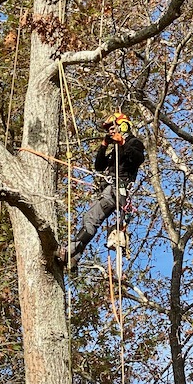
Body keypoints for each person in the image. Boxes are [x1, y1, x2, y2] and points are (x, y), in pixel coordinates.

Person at [56, 112, 145, 270]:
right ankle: (74, 258)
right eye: (109, 129)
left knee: (90, 219)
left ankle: (70, 251)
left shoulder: (133, 142)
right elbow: (99, 166)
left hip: (118, 189)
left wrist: (123, 142)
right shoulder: (115, 150)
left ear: (123, 125)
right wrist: (104, 145)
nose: (111, 131)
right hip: (111, 190)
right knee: (90, 220)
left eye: (113, 127)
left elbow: (138, 159)